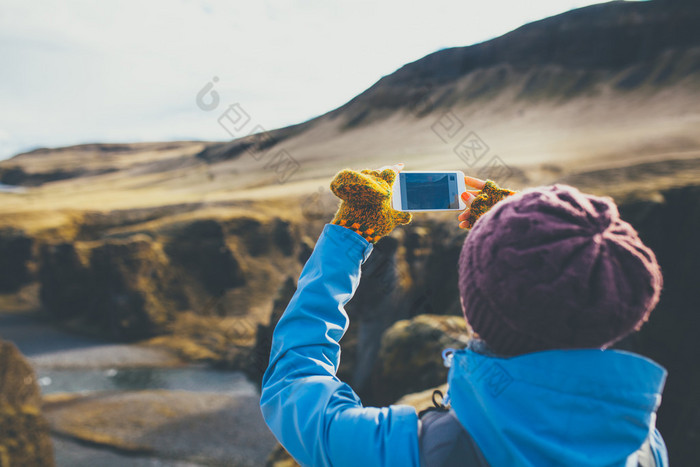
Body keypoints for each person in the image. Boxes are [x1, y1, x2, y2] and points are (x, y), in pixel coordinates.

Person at [260, 163, 668, 466]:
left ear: (475, 308)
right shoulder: (648, 447)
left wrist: (349, 236)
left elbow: (292, 383)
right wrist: (518, 244)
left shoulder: (410, 451)